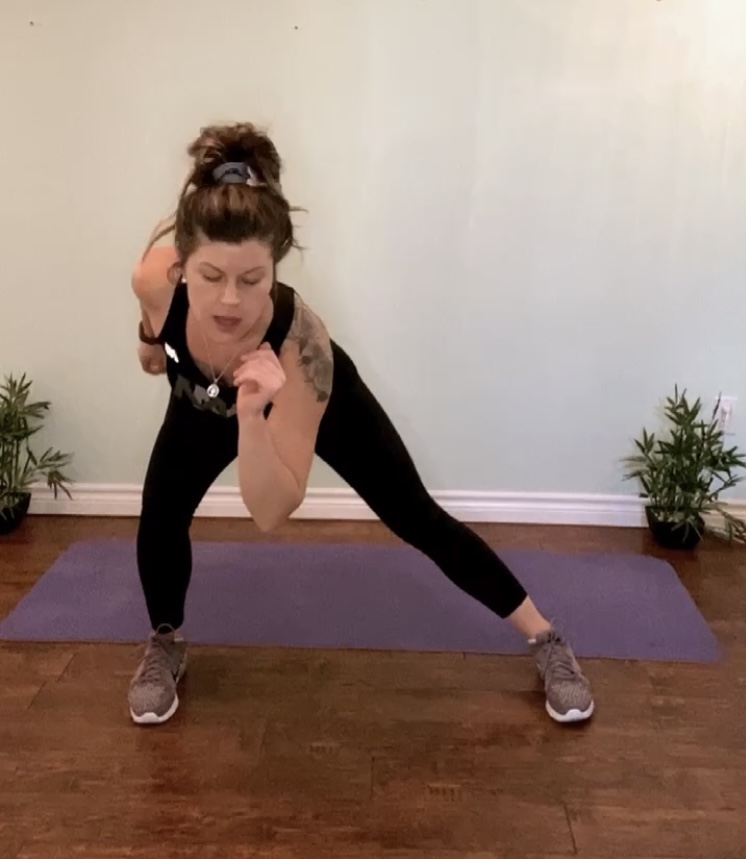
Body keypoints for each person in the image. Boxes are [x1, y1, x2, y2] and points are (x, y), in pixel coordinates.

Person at [129, 121, 595, 727]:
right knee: (161, 514)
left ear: (276, 268)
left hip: (293, 396)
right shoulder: (153, 279)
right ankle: (165, 641)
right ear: (182, 266)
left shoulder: (304, 352)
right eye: (211, 277)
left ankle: (546, 638)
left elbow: (271, 512)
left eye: (252, 279)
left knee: (415, 515)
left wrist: (251, 414)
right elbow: (152, 329)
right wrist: (152, 342)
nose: (230, 301)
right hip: (202, 396)